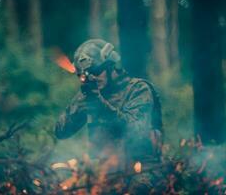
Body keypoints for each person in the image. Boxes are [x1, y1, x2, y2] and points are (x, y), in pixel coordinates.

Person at [54, 39, 163, 191]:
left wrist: (101, 107)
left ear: (111, 66)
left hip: (143, 169)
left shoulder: (138, 89)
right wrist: (81, 105)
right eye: (86, 74)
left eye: (97, 71)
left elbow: (135, 130)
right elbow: (61, 131)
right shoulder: (89, 95)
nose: (93, 77)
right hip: (106, 171)